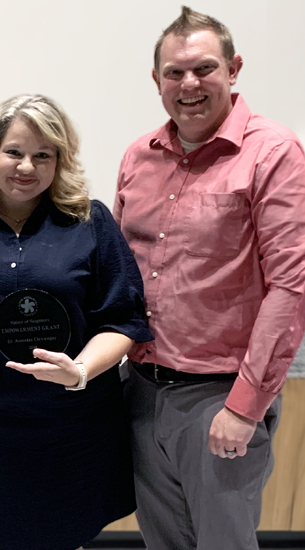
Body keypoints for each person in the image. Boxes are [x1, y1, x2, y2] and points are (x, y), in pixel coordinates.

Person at [0, 94, 152, 550]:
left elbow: (123, 321)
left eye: (44, 155)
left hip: (71, 428)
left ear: (60, 161)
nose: (27, 166)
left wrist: (78, 372)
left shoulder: (89, 222)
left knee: (61, 536)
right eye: (14, 152)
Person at [114, 7, 305, 549]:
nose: (189, 84)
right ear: (157, 81)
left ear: (233, 69)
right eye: (174, 73)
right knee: (163, 543)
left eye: (203, 69)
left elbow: (290, 288)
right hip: (144, 393)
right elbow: (119, 272)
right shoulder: (138, 157)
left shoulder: (272, 152)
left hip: (219, 400)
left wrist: (246, 407)